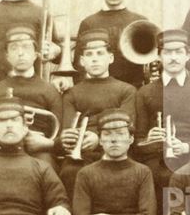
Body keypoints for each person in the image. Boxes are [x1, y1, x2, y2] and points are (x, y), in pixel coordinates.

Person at [134, 29, 190, 215]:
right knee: (154, 175)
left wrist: (187, 147)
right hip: (156, 158)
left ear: (188, 55)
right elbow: (136, 143)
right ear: (159, 56)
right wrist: (148, 139)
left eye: (179, 52)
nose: (173, 57)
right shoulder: (145, 93)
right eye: (168, 52)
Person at [58, 30, 136, 196]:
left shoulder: (126, 90)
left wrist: (98, 138)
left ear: (111, 58)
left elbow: (127, 126)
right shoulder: (72, 93)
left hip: (114, 148)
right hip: (83, 152)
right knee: (69, 171)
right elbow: (68, 127)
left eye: (100, 53)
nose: (94, 58)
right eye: (89, 54)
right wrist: (70, 138)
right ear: (81, 60)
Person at [0, 25, 64, 168]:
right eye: (14, 48)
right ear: (7, 56)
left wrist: (45, 143)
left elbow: (59, 129)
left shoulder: (49, 90)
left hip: (38, 150)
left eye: (26, 47)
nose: (20, 53)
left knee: (46, 167)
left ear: (36, 54)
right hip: (3, 149)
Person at [74, 0, 151, 89]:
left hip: (133, 90)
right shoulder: (88, 23)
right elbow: (79, 66)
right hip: (97, 92)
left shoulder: (140, 22)